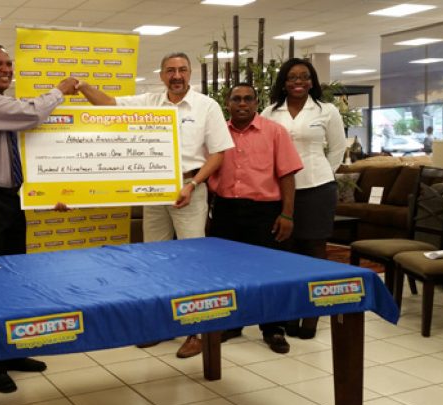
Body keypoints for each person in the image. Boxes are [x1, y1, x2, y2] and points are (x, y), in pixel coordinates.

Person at [77, 52, 233, 359]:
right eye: (170, 70)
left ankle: (197, 332)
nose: (177, 75)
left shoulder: (207, 106)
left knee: (192, 261)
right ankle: (161, 325)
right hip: (154, 191)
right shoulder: (148, 102)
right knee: (154, 259)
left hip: (190, 188)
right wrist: (82, 85)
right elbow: (107, 104)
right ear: (162, 75)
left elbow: (218, 154)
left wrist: (193, 184)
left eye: (182, 70)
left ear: (190, 73)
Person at [0, 44, 78, 393]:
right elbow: (32, 114)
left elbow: (27, 153)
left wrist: (47, 194)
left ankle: (11, 352)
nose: (6, 69)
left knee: (13, 281)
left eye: (9, 63)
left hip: (10, 200)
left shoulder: (3, 106)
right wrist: (59, 91)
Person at [208, 83, 303, 354]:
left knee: (269, 271)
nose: (242, 104)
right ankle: (232, 323)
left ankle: (273, 328)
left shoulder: (275, 132)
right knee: (227, 271)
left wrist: (287, 213)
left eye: (248, 99)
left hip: (265, 211)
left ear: (256, 103)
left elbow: (287, 175)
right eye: (236, 99)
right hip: (226, 209)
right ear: (227, 103)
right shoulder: (217, 134)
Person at [261, 58, 346, 339]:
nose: (298, 82)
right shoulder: (270, 112)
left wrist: (322, 172)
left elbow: (338, 149)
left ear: (312, 81)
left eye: (304, 76)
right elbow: (264, 149)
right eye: (292, 77)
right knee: (286, 253)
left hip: (317, 189)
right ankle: (289, 314)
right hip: (279, 192)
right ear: (284, 83)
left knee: (314, 252)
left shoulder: (327, 110)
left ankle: (311, 317)